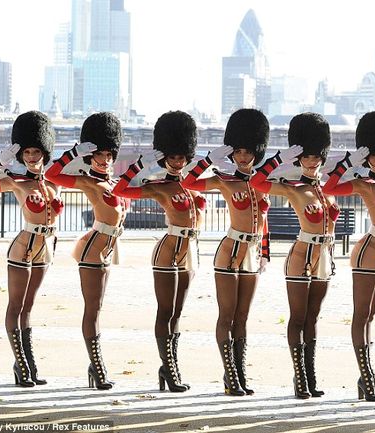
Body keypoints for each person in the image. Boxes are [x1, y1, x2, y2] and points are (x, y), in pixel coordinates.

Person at [112, 111, 204, 392]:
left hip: (190, 251)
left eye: (182, 158)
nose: (177, 162)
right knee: (166, 311)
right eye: (172, 157)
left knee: (178, 313)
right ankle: (169, 368)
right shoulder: (158, 186)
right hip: (168, 249)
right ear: (164, 157)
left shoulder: (193, 185)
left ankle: (170, 366)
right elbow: (121, 189)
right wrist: (143, 163)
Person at [181, 108, 270, 396]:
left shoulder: (263, 183)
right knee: (227, 315)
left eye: (248, 151)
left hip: (253, 253)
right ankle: (229, 375)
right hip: (230, 251)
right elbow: (187, 183)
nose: (243, 157)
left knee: (243, 317)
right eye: (238, 151)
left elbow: (263, 223)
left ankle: (240, 372)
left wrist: (265, 252)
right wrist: (208, 160)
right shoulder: (223, 178)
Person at [250, 112, 338, 399]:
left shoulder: (328, 190)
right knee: (298, 318)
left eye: (316, 157)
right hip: (301, 254)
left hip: (324, 256)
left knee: (313, 318)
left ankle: (310, 377)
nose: (312, 162)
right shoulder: (292, 186)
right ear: (299, 158)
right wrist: (280, 158)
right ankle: (299, 377)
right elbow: (258, 183)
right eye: (306, 157)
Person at [322, 111, 375, 402]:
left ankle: (366, 375)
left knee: (370, 314)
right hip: (369, 251)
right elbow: (328, 188)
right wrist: (349, 163)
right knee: (361, 314)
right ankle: (366, 375)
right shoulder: (363, 183)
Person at [0, 111, 60, 387]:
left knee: (29, 307)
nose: (32, 156)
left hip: (45, 249)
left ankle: (28, 363)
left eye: (37, 151)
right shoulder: (16, 180)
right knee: (16, 305)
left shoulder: (54, 183)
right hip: (23, 247)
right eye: (27, 152)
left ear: (45, 152)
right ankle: (22, 365)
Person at [45, 112, 126, 390]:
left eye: (108, 154)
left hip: (107, 251)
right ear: (90, 157)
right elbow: (51, 174)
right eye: (99, 154)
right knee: (92, 309)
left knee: (99, 308)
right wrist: (73, 153)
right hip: (93, 250)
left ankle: (96, 366)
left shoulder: (113, 183)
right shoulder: (87, 181)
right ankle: (98, 367)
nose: (104, 159)